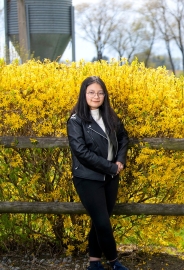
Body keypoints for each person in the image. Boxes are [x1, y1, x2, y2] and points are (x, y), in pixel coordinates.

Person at [67, 76, 129, 270]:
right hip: (87, 178)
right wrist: (110, 167)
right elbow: (81, 152)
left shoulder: (110, 116)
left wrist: (120, 161)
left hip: (111, 177)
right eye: (92, 92)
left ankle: (94, 262)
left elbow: (123, 137)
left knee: (99, 220)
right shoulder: (76, 120)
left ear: (105, 95)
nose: (96, 96)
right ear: (84, 94)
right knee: (102, 222)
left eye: (100, 92)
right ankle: (114, 262)